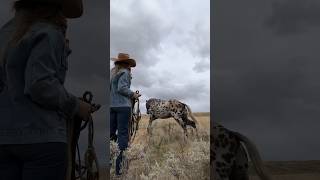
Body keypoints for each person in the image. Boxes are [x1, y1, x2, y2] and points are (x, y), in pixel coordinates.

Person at [0, 1, 93, 180]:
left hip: (4, 140)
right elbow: (40, 85)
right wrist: (77, 106)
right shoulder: (49, 32)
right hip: (43, 139)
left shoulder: (4, 34)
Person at [110, 53, 141, 175]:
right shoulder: (125, 73)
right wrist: (133, 94)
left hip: (112, 106)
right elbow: (122, 88)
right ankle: (120, 169)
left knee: (111, 135)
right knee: (123, 136)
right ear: (126, 64)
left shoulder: (113, 74)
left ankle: (109, 164)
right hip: (123, 106)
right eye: (129, 64)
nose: (130, 67)